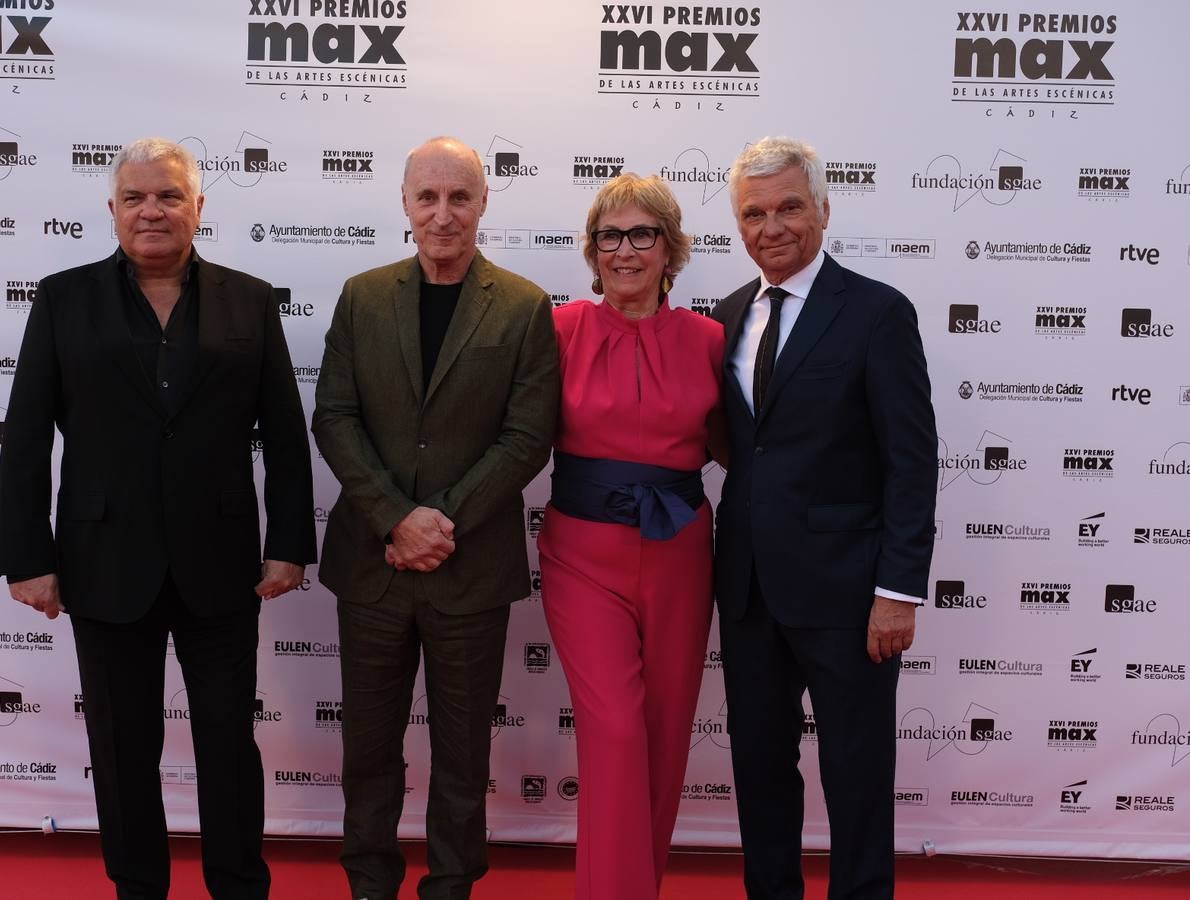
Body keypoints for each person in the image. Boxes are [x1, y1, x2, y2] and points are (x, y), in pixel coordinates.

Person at [0, 137, 316, 900]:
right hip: (103, 561)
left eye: (169, 196)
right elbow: (27, 431)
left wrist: (291, 544)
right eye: (136, 197)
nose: (152, 210)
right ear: (112, 211)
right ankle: (138, 888)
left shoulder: (250, 298)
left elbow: (285, 432)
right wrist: (26, 557)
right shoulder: (63, 298)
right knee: (121, 747)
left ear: (198, 207)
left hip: (222, 561)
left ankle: (239, 885)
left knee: (229, 748)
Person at [312, 136, 560, 900]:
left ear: (484, 203)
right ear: (406, 204)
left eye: (460, 197)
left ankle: (452, 885)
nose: (444, 213)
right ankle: (369, 883)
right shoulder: (362, 295)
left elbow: (527, 437)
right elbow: (335, 417)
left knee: (462, 753)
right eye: (429, 197)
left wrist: (438, 522)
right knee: (368, 749)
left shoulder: (524, 306)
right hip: (373, 566)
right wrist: (395, 520)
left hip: (469, 568)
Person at [711, 136, 937, 899]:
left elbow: (911, 461)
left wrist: (898, 591)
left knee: (857, 773)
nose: (771, 227)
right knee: (760, 770)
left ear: (823, 210)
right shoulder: (728, 315)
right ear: (738, 224)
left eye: (788, 208)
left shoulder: (877, 313)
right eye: (754, 213)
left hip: (849, 596)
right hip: (746, 594)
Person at [536, 174, 722, 899]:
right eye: (609, 236)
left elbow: (747, 443)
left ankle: (636, 885)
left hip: (681, 554)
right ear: (592, 250)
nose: (624, 251)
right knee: (614, 731)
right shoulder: (558, 330)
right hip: (582, 554)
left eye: (642, 234)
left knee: (666, 733)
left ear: (670, 249)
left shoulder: (710, 339)